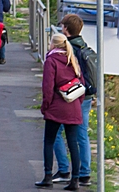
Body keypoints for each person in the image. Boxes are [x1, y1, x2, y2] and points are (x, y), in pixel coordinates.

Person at [52, 13, 98, 186]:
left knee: (55, 133)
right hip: (86, 96)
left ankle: (64, 170)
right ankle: (85, 174)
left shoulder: (66, 50)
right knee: (82, 135)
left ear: (65, 29)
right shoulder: (85, 47)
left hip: (70, 96)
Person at [36, 33, 84, 190]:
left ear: (53, 45)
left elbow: (48, 87)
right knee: (73, 143)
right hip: (73, 107)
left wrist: (45, 106)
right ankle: (75, 180)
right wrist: (77, 103)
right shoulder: (73, 59)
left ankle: (48, 176)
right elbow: (81, 84)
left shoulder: (51, 60)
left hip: (56, 106)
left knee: (49, 141)